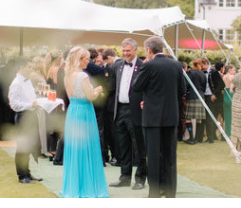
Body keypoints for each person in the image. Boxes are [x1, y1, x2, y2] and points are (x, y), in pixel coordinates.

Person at [131, 36, 187, 198]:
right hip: (171, 117)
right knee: (170, 156)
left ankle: (155, 193)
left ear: (149, 50)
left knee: (154, 157)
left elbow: (136, 87)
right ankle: (170, 192)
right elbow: (182, 90)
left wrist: (148, 100)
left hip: (152, 118)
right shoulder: (176, 65)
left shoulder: (148, 66)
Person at [61, 46, 109, 198]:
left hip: (73, 111)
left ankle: (73, 186)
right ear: (79, 59)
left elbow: (71, 95)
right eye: (86, 59)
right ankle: (87, 187)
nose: (88, 62)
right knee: (87, 147)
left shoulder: (66, 75)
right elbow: (90, 97)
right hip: (84, 112)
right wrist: (98, 90)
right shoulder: (82, 77)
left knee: (75, 148)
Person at [108, 39, 146, 190]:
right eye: (123, 51)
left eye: (128, 50)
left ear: (135, 50)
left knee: (139, 147)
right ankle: (124, 177)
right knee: (123, 146)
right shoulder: (117, 66)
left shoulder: (143, 66)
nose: (125, 53)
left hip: (136, 110)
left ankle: (140, 179)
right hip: (120, 110)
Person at [8, 60, 43, 183]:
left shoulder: (27, 81)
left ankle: (27, 173)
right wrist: (30, 104)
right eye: (29, 66)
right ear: (21, 67)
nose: (31, 68)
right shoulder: (16, 83)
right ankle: (21, 176)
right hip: (22, 117)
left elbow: (31, 98)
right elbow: (14, 104)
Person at [182, 59, 208, 144]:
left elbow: (186, 84)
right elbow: (204, 87)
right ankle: (197, 138)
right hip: (201, 96)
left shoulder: (190, 72)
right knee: (199, 119)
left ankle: (191, 138)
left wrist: (186, 92)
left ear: (193, 65)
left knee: (188, 119)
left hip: (192, 96)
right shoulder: (203, 74)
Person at [201, 58, 225, 144]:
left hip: (212, 97)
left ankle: (210, 138)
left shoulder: (213, 72)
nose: (201, 67)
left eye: (202, 65)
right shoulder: (204, 72)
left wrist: (214, 94)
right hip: (206, 96)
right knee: (209, 117)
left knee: (210, 117)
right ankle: (211, 136)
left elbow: (222, 84)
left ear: (206, 63)